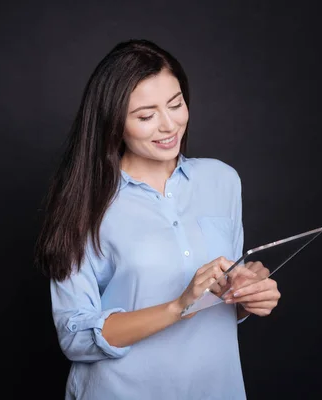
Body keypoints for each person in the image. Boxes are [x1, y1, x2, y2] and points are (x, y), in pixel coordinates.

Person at [34, 39, 281, 400]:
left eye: (176, 104)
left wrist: (245, 296)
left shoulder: (221, 180)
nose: (169, 126)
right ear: (113, 123)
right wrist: (177, 306)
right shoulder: (83, 202)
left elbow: (219, 294)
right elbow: (75, 337)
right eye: (146, 116)